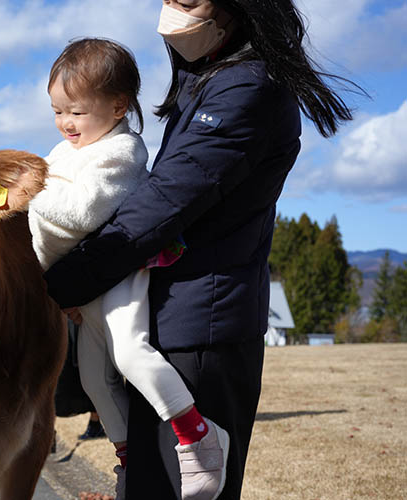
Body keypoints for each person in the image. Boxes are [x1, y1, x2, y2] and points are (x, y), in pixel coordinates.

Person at [42, 1, 361, 499]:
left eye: (186, 1)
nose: (172, 13)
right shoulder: (209, 79)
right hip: (175, 319)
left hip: (201, 325)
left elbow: (161, 205)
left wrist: (57, 285)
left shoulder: (246, 87)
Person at [29, 37, 230, 500]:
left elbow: (81, 211)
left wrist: (30, 194)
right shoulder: (63, 155)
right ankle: (127, 456)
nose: (65, 123)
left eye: (76, 111)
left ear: (119, 106)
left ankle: (198, 435)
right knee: (92, 376)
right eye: (58, 111)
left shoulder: (122, 153)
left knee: (130, 352)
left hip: (119, 273)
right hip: (84, 283)